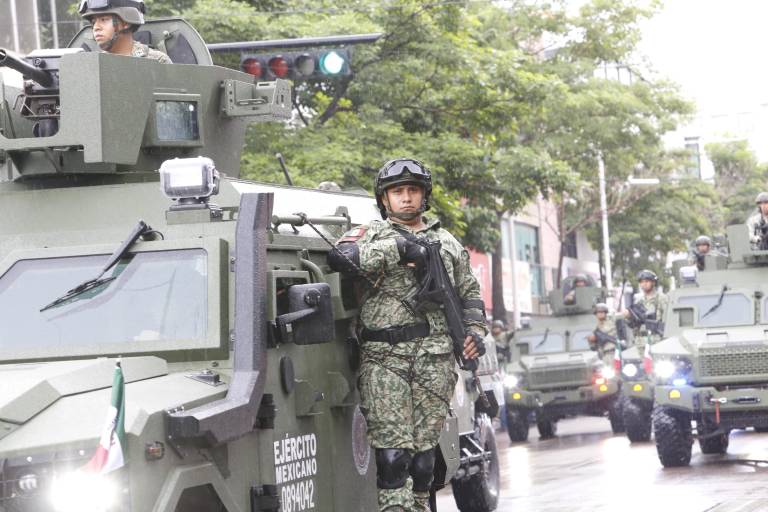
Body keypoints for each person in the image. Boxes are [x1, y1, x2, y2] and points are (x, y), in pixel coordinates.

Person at [327, 158, 487, 512]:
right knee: (393, 456)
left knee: (424, 461)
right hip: (384, 359)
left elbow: (470, 293)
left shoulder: (446, 242)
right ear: (384, 200)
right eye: (397, 192)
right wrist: (399, 250)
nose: (406, 198)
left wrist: (475, 331)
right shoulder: (370, 234)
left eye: (412, 190)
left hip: (435, 357)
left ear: (424, 195)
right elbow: (339, 258)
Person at [79, 0, 172, 63]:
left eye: (104, 20)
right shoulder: (93, 64)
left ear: (125, 22)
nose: (96, 27)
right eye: (93, 22)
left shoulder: (157, 61)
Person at [623, 269, 668, 342]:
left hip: (657, 338)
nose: (644, 284)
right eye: (641, 282)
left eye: (647, 281)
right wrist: (629, 317)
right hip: (640, 339)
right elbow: (633, 324)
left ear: (653, 282)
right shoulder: (638, 300)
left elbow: (667, 320)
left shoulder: (661, 298)